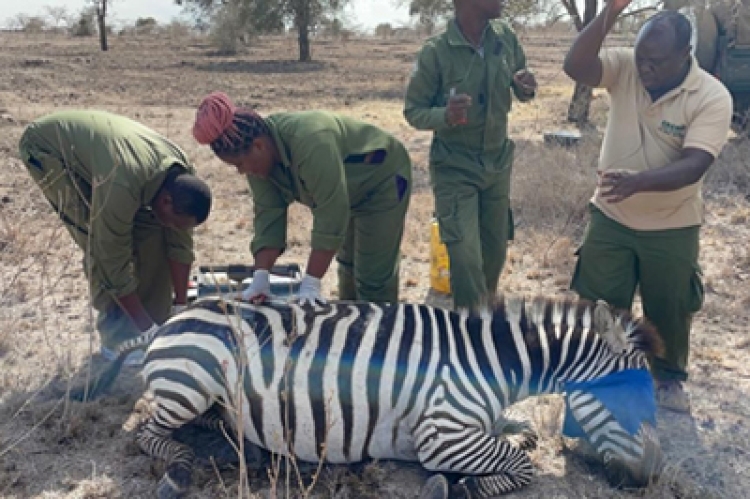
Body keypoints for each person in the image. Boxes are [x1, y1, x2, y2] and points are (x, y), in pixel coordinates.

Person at [563, 1, 732, 413]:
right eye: (641, 58)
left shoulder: (710, 96)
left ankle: (669, 379)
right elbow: (576, 66)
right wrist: (609, 15)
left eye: (656, 61)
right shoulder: (626, 68)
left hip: (672, 224)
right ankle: (596, 375)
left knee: (669, 306)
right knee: (599, 304)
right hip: (611, 216)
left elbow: (695, 164)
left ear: (685, 56)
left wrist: (638, 183)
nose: (645, 68)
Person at [19, 110, 212, 364]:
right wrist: (145, 329)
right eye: (175, 222)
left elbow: (180, 246)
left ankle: (156, 321)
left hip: (111, 162)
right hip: (51, 149)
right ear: (165, 201)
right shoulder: (122, 185)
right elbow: (110, 256)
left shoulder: (181, 174)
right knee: (96, 237)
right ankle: (119, 339)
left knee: (154, 233)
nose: (176, 227)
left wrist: (180, 305)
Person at [192, 92, 412, 305]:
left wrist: (311, 282)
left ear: (259, 146)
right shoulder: (260, 164)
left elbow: (331, 213)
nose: (241, 172)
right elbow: (268, 219)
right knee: (348, 267)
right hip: (348, 191)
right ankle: (354, 332)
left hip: (382, 182)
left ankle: (381, 335)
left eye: (240, 164)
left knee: (373, 276)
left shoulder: (311, 142)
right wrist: (260, 277)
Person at [403, 0, 537, 312]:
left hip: (497, 162)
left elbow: (522, 84)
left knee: (494, 252)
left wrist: (526, 87)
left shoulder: (504, 37)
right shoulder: (436, 51)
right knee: (464, 254)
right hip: (455, 166)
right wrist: (445, 116)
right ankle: (471, 331)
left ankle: (481, 316)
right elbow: (413, 111)